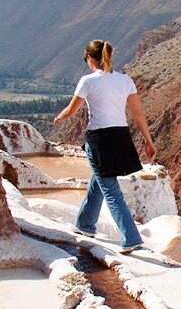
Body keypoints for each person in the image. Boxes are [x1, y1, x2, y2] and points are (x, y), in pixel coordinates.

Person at [53, 39, 157, 253]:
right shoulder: (125, 80)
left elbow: (71, 111)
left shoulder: (87, 81)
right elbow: (137, 113)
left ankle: (131, 238)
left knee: (109, 188)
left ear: (90, 58)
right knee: (99, 180)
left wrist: (58, 119)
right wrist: (148, 141)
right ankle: (85, 224)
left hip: (99, 139)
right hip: (120, 137)